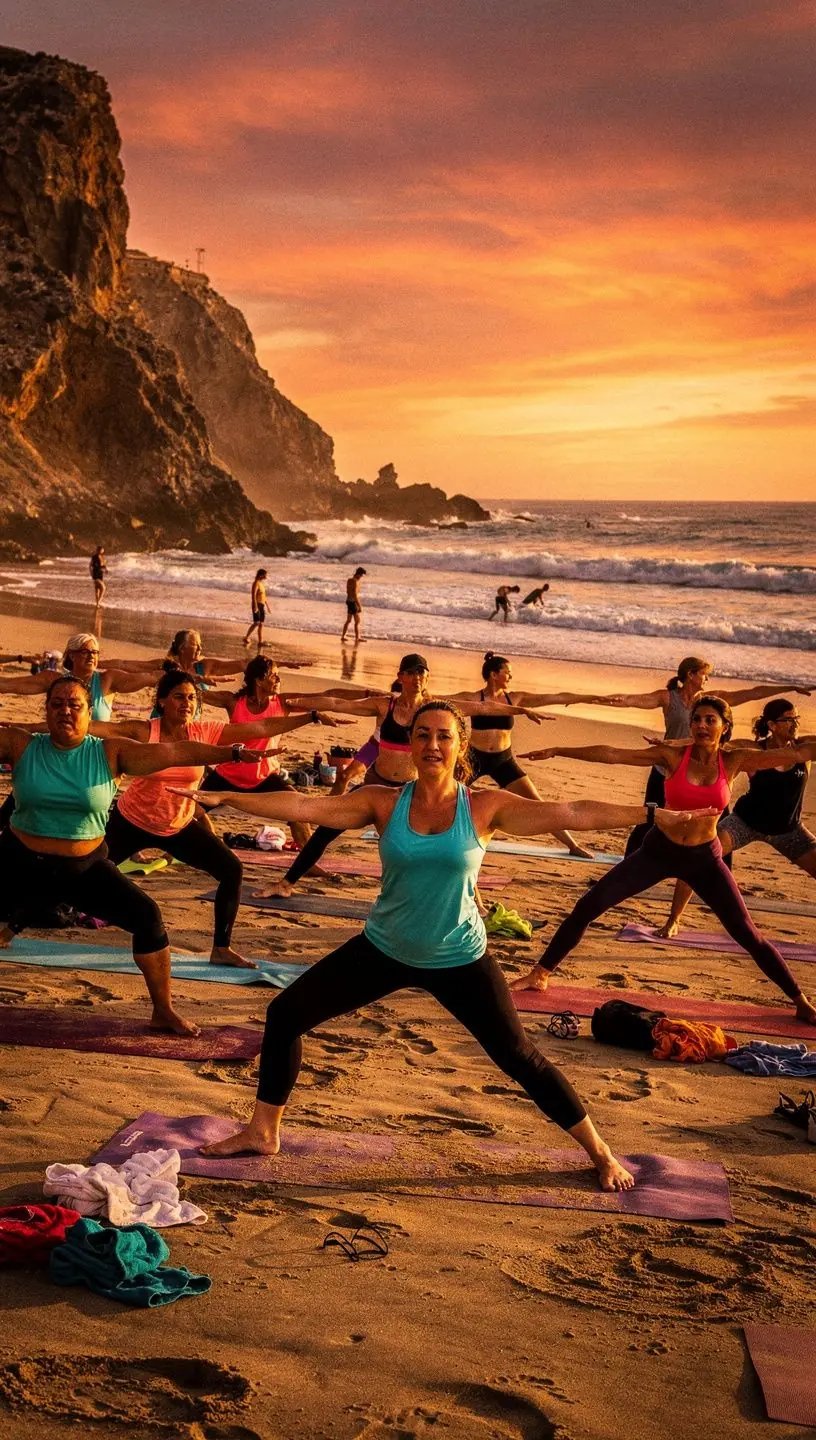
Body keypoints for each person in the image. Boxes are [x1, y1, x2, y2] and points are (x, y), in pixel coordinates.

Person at [171, 700, 713, 1187]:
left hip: (459, 957)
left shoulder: (485, 807)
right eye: (423, 735)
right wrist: (224, 798)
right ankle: (264, 1131)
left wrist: (650, 815)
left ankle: (599, 1151)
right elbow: (304, 807)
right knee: (285, 1013)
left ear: (460, 747)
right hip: (384, 948)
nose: (432, 745)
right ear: (411, 745)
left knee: (519, 1056)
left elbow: (573, 812)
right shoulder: (383, 802)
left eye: (444, 736)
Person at [515, 695, 816, 1024]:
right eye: (697, 719)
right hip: (658, 852)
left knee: (747, 933)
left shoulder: (735, 760)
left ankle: (799, 1000)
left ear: (724, 727)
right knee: (589, 904)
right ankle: (541, 973)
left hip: (704, 858)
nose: (702, 725)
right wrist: (559, 750)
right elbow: (614, 755)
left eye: (710, 720)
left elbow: (798, 752)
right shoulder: (673, 756)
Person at [0, 676, 274, 1035]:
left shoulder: (109, 752)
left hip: (84, 867)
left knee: (147, 916)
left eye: (75, 704)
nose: (65, 710)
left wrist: (233, 753)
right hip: (19, 861)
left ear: (88, 712)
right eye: (57, 704)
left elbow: (178, 752)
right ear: (47, 710)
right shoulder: (21, 745)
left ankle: (163, 1010)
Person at [252, 653, 547, 898]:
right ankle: (286, 884)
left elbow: (482, 707)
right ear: (401, 676)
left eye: (422, 673)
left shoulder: (434, 708)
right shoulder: (386, 704)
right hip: (376, 786)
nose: (417, 678)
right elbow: (339, 704)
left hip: (409, 793)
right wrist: (299, 702)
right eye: (411, 673)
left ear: (427, 677)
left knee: (446, 848)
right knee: (327, 828)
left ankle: (472, 899)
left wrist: (520, 709)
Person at [98, 669, 334, 967]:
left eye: (192, 698)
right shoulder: (145, 732)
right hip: (131, 821)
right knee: (82, 870)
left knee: (231, 870)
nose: (187, 703)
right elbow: (98, 729)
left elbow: (262, 727)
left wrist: (310, 716)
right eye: (179, 697)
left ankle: (221, 948)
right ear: (162, 701)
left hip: (177, 826)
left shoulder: (204, 731)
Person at [572, 656, 811, 856]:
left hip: (709, 772)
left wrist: (787, 688)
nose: (707, 680)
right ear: (690, 675)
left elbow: (752, 693)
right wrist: (603, 700)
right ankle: (630, 865)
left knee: (714, 829)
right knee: (649, 818)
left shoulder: (712, 701)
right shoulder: (668, 697)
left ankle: (715, 871)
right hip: (667, 769)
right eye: (704, 674)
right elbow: (632, 700)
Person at [658, 698, 816, 937]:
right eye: (789, 719)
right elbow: (714, 743)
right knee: (697, 858)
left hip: (789, 829)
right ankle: (673, 921)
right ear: (772, 725)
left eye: (796, 718)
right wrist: (672, 743)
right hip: (745, 823)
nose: (795, 723)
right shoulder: (753, 750)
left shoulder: (804, 750)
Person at [451, 651, 617, 859]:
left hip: (503, 760)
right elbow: (440, 700)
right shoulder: (475, 698)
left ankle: (572, 845)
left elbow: (556, 697)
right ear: (494, 675)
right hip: (474, 759)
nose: (511, 677)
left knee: (537, 802)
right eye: (507, 673)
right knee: (446, 796)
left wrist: (592, 698)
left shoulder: (516, 698)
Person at [199, 655, 349, 859]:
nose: (278, 680)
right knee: (189, 811)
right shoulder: (233, 701)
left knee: (299, 814)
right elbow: (195, 695)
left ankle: (308, 862)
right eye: (274, 676)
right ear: (258, 680)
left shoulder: (283, 702)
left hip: (265, 777)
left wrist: (368, 695)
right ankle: (215, 849)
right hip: (228, 775)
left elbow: (326, 695)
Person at [0, 634, 163, 722]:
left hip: (96, 751)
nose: (91, 656)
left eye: (95, 652)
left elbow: (146, 677)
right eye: (85, 652)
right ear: (71, 655)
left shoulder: (108, 680)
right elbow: (8, 685)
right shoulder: (53, 680)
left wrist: (165, 673)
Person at [243, 570, 269, 649]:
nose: (266, 577)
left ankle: (260, 641)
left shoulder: (262, 584)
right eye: (265, 575)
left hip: (262, 605)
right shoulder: (256, 583)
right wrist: (255, 606)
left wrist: (267, 605)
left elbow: (264, 595)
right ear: (261, 575)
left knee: (261, 624)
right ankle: (246, 637)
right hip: (257, 604)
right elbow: (253, 596)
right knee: (256, 623)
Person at [341, 568, 367, 643]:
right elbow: (355, 595)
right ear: (359, 574)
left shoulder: (349, 580)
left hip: (348, 601)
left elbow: (347, 591)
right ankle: (357, 638)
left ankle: (343, 636)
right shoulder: (355, 582)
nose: (362, 577)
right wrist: (359, 605)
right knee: (357, 621)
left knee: (348, 620)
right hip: (353, 602)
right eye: (362, 575)